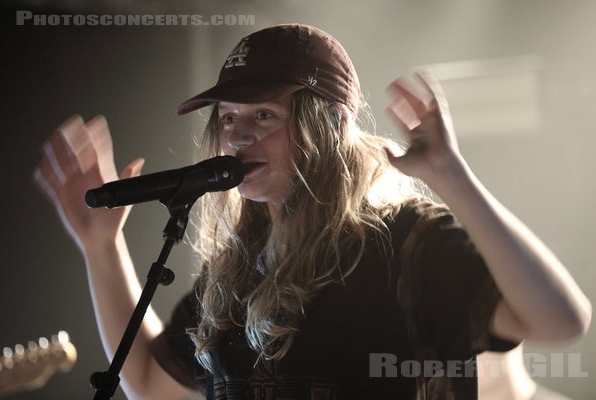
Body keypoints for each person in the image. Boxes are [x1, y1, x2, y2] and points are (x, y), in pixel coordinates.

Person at [33, 24, 591, 400]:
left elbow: (560, 320)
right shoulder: (238, 270)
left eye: (265, 115)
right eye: (228, 118)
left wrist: (453, 178)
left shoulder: (407, 243)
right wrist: (100, 247)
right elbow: (153, 385)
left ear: (332, 127)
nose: (238, 135)